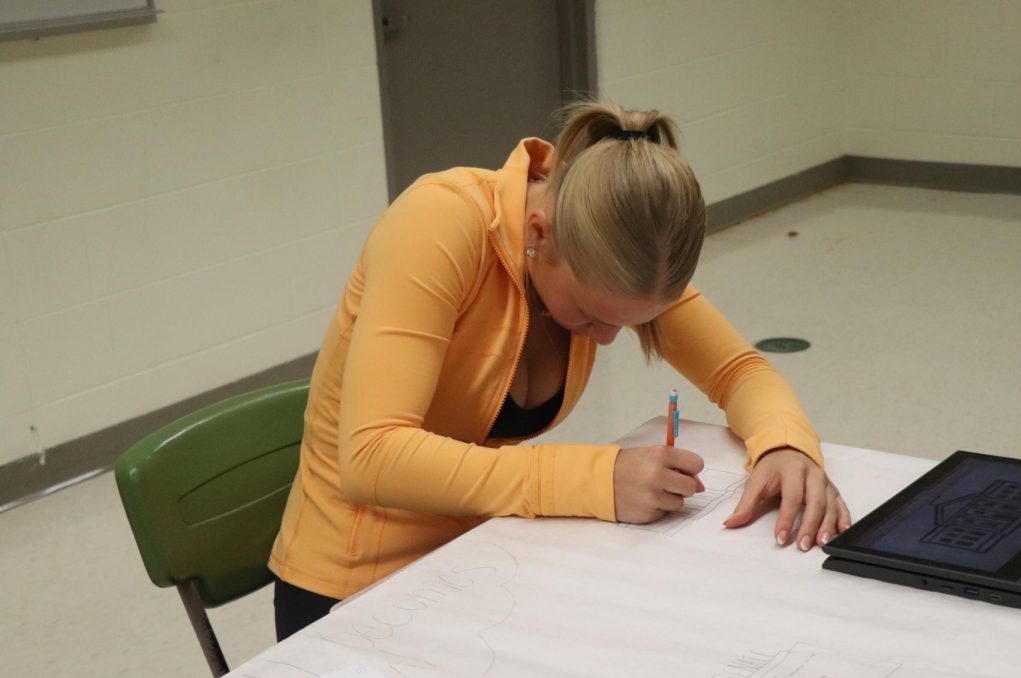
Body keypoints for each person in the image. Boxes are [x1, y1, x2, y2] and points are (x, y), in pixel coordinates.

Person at [269, 101, 852, 641]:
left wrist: (784, 446)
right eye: (591, 315)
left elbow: (741, 372)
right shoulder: (439, 222)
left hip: (483, 552)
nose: (606, 338)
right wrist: (599, 479)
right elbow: (372, 456)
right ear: (539, 235)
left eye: (630, 322)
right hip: (353, 587)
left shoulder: (618, 239)